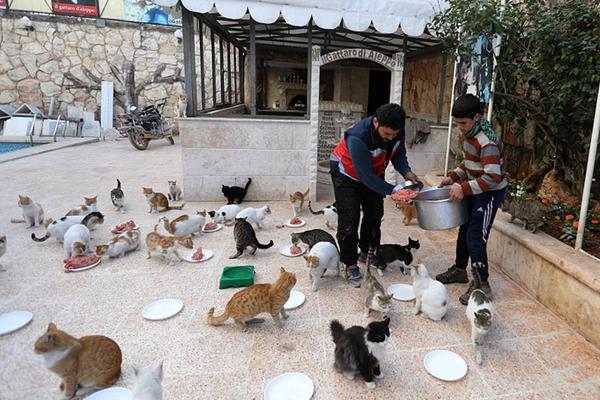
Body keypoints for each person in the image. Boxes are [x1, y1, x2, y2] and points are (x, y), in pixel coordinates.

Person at [330, 103, 420, 287]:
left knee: (375, 214)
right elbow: (365, 177)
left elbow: (398, 154)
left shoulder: (396, 131)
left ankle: (367, 251)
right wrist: (393, 190)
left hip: (372, 172)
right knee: (349, 218)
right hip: (346, 174)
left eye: (394, 135)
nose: (390, 138)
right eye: (386, 134)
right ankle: (349, 263)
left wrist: (408, 173)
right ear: (376, 122)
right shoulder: (358, 137)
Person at [435, 94, 507, 305]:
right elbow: (469, 164)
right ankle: (459, 270)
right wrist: (453, 176)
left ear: (477, 117)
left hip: (490, 192)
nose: (460, 128)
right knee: (464, 230)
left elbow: (493, 177)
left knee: (476, 235)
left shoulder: (486, 141)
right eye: (456, 123)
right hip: (475, 188)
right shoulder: (469, 134)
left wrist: (464, 187)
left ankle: (482, 284)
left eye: (463, 123)